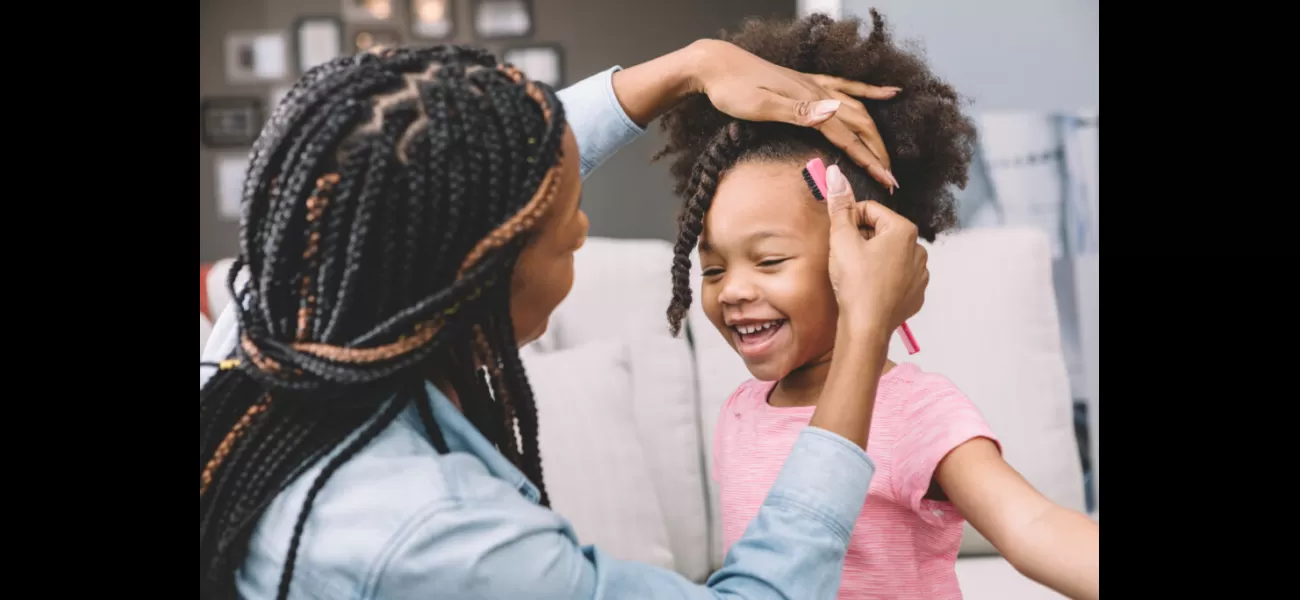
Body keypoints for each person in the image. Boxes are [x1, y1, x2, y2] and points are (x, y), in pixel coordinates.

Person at [199, 41, 929, 599]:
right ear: (484, 274)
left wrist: (690, 66)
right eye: (564, 227)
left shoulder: (276, 318)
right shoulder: (435, 537)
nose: (582, 228)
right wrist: (864, 329)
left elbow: (446, 177)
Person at [656, 12, 1099, 600]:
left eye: (768, 262)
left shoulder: (916, 411)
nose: (732, 289)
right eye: (712, 269)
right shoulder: (741, 409)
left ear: (858, 255)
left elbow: (1032, 524)